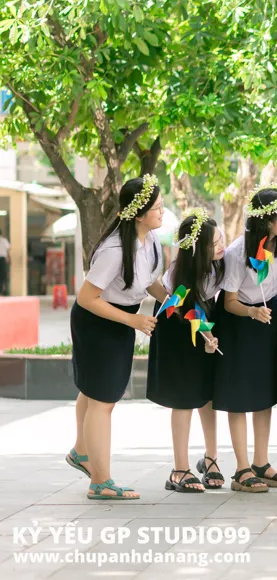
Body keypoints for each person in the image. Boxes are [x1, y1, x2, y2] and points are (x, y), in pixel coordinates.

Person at [67, 175, 167, 500]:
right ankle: (100, 482)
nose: (162, 211)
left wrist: (170, 298)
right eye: (157, 207)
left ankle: (82, 452)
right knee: (103, 400)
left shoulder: (150, 241)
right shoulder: (114, 249)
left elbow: (147, 281)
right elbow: (86, 298)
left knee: (94, 393)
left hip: (119, 319)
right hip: (97, 322)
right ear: (138, 214)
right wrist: (133, 320)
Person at [215, 183, 277, 493]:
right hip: (239, 322)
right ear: (267, 221)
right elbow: (229, 301)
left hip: (268, 314)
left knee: (264, 394)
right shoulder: (238, 253)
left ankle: (261, 462)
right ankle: (242, 468)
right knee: (239, 396)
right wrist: (251, 312)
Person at [147, 209, 226, 493]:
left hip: (204, 316)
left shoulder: (219, 265)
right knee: (184, 396)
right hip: (177, 323)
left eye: (221, 239)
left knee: (207, 393)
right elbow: (184, 309)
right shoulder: (178, 277)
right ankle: (179, 469)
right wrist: (207, 335)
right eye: (215, 243)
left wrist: (210, 337)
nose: (222, 246)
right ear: (197, 250)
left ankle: (211, 458)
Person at [0, 227, 10, 295]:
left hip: (3, 258)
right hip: (2, 259)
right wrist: (8, 257)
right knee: (3, 275)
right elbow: (8, 249)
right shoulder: (4, 240)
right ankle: (1, 290)